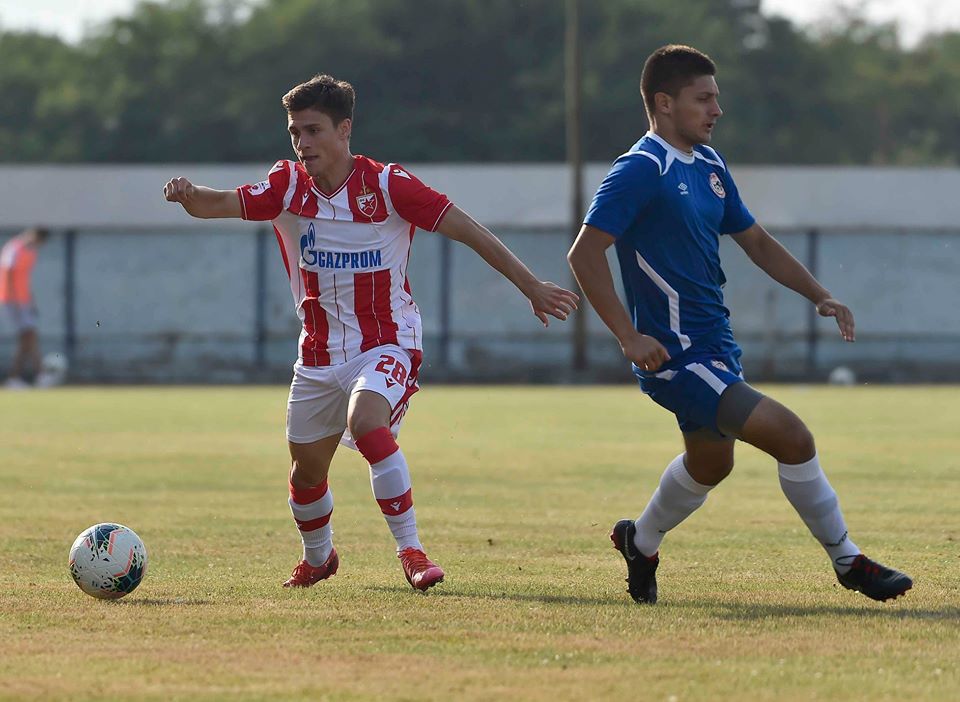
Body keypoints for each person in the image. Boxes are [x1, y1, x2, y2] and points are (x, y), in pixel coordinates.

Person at [164, 74, 578, 592]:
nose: (302, 143)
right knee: (306, 473)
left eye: (313, 130)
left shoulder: (387, 185)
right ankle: (319, 557)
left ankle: (412, 551)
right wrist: (187, 194)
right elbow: (218, 203)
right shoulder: (287, 185)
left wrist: (530, 285)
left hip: (387, 343)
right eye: (295, 132)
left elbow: (466, 228)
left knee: (367, 422)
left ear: (345, 129)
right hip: (317, 354)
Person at [567, 45, 911, 604]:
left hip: (715, 344)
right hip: (674, 356)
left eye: (716, 98)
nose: (716, 109)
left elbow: (755, 241)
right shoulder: (639, 169)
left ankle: (641, 540)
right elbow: (584, 254)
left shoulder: (709, 165)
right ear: (664, 103)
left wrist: (819, 295)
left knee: (711, 463)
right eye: (703, 98)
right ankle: (849, 562)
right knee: (792, 437)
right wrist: (628, 336)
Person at [0, 227, 48, 388]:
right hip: (13, 301)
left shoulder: (31, 252)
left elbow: (24, 280)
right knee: (29, 335)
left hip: (24, 300)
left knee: (27, 338)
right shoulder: (14, 248)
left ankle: (16, 377)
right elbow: (7, 273)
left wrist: (31, 301)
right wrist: (14, 299)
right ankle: (40, 374)